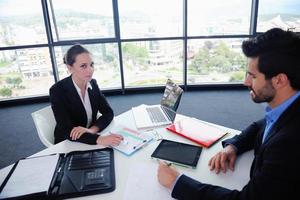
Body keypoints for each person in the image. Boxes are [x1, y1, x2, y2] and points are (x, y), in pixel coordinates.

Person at [157, 28, 300, 200]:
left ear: (279, 80)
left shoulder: (289, 142)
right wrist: (233, 146)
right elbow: (261, 125)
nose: (245, 82)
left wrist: (177, 182)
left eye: (253, 76)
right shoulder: (288, 108)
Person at [49, 44, 123, 146]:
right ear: (70, 68)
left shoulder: (93, 83)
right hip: (68, 143)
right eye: (83, 66)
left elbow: (108, 112)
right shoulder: (58, 90)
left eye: (91, 65)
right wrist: (99, 139)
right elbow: (66, 130)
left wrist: (92, 130)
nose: (90, 70)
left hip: (89, 137)